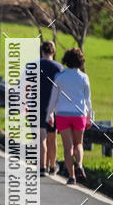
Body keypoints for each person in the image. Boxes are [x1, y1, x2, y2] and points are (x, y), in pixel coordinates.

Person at [46, 47, 92, 184]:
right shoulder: (84, 77)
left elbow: (53, 98)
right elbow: (88, 100)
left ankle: (72, 177)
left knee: (68, 147)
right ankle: (79, 165)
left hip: (62, 114)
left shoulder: (60, 77)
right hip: (79, 114)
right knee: (78, 144)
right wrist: (89, 117)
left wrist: (49, 114)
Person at [39, 41, 63, 176]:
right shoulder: (59, 68)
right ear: (53, 52)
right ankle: (52, 166)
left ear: (42, 51)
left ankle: (42, 167)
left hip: (37, 105)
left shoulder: (34, 65)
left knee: (41, 136)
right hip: (54, 107)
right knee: (52, 137)